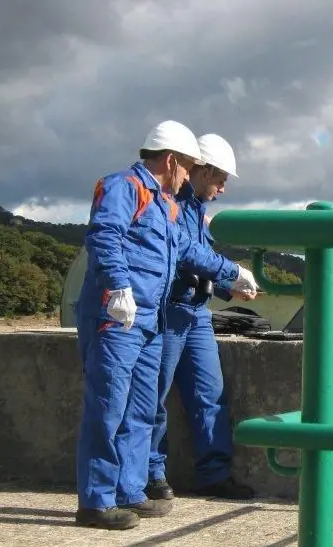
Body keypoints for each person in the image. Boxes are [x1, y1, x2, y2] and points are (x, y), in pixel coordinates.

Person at [73, 121, 258, 530]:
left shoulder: (166, 203)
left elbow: (187, 250)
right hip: (118, 314)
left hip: (152, 317)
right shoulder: (124, 187)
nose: (188, 175)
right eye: (187, 166)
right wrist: (117, 286)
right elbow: (104, 235)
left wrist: (231, 272)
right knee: (108, 407)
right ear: (173, 160)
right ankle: (97, 500)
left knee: (139, 408)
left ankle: (130, 491)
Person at [145, 133, 258, 503]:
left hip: (197, 312)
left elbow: (197, 262)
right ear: (203, 169)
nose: (223, 188)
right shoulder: (170, 202)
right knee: (154, 395)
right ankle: (151, 475)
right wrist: (234, 271)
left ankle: (214, 474)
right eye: (221, 179)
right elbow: (184, 253)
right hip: (169, 311)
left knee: (210, 394)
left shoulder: (196, 210)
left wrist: (228, 288)